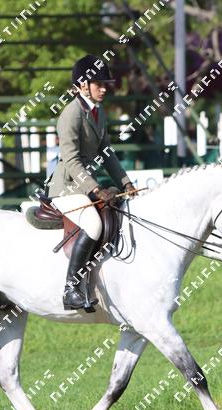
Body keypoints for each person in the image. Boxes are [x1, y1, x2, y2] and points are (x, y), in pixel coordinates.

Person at [47, 54, 134, 312]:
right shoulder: (70, 114)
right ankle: (71, 289)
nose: (104, 88)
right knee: (94, 224)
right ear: (82, 85)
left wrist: (126, 183)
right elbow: (71, 160)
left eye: (105, 84)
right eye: (99, 84)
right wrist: (95, 189)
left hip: (85, 185)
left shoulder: (98, 112)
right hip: (66, 188)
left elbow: (107, 154)